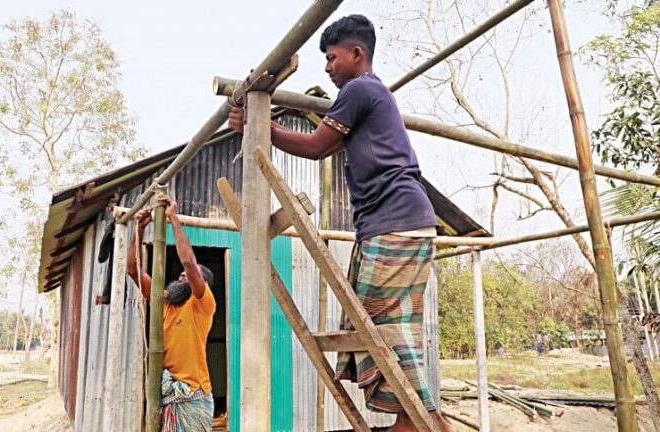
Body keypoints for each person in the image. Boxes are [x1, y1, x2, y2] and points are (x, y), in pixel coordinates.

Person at [228, 14, 453, 432]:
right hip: (392, 223)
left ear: (357, 54)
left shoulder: (360, 88)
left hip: (397, 221)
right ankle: (412, 419)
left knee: (379, 323)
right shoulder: (364, 97)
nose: (328, 67)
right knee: (385, 324)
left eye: (332, 59)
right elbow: (327, 144)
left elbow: (316, 147)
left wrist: (261, 126)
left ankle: (426, 421)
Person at [127, 195, 216, 432]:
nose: (182, 275)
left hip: (193, 396)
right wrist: (139, 229)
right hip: (168, 394)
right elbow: (133, 269)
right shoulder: (166, 301)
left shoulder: (202, 304)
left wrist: (173, 218)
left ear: (201, 282)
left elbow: (188, 262)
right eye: (182, 275)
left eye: (190, 276)